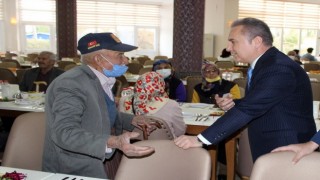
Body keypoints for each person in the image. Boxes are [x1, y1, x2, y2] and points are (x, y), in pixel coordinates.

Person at [174, 17, 317, 162]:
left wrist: (200, 139)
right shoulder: (266, 63)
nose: (229, 48)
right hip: (274, 141)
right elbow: (265, 99)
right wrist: (235, 103)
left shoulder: (277, 68)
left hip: (286, 144)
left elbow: (250, 108)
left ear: (257, 41)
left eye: (233, 41)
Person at [42, 32, 161, 179]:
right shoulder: (71, 84)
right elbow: (64, 133)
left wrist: (132, 120)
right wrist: (113, 141)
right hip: (76, 166)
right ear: (99, 59)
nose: (126, 60)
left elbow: (98, 113)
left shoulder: (99, 78)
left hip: (103, 158)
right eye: (120, 55)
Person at [119, 71, 186, 138]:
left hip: (131, 145)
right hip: (165, 146)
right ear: (161, 85)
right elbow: (180, 131)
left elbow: (121, 127)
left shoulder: (123, 100)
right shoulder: (171, 105)